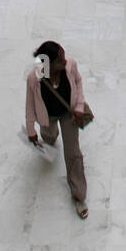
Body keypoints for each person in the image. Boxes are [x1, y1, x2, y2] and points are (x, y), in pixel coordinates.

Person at [25, 41, 88, 218]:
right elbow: (30, 105)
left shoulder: (70, 66)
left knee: (73, 152)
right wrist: (31, 130)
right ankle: (50, 137)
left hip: (69, 114)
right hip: (47, 116)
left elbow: (78, 81)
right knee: (49, 135)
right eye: (60, 60)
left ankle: (79, 195)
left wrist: (79, 107)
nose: (65, 62)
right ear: (49, 64)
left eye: (63, 56)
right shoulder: (34, 78)